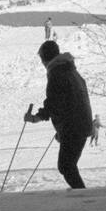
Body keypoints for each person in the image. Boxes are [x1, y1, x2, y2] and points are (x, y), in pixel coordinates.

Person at [24, 39, 93, 189]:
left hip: (75, 126)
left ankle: (83, 197)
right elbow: (68, 101)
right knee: (68, 165)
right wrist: (62, 130)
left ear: (44, 58)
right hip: (80, 124)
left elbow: (54, 102)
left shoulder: (57, 73)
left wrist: (36, 117)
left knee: (66, 166)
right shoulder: (69, 69)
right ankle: (81, 194)